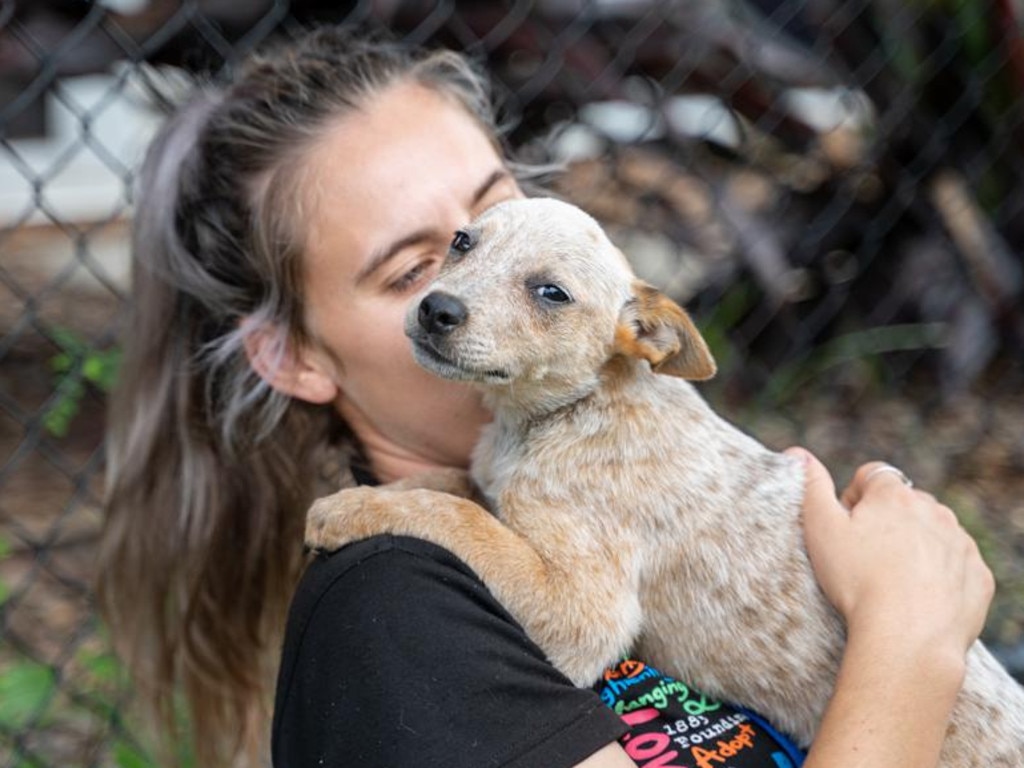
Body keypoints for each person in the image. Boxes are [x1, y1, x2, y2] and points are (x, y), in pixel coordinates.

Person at [97, 24, 995, 768]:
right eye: (428, 263)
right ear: (292, 357)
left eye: (502, 236)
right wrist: (907, 638)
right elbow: (576, 630)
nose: (458, 293)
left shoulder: (592, 456)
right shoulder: (393, 617)